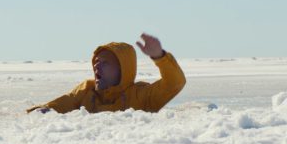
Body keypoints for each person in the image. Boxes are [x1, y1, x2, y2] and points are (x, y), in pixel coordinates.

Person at [26, 33, 186, 114]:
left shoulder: (141, 95)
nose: (97, 67)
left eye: (105, 63)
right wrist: (43, 110)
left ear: (123, 70)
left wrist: (160, 57)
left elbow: (174, 83)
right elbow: (62, 104)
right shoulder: (85, 91)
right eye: (95, 63)